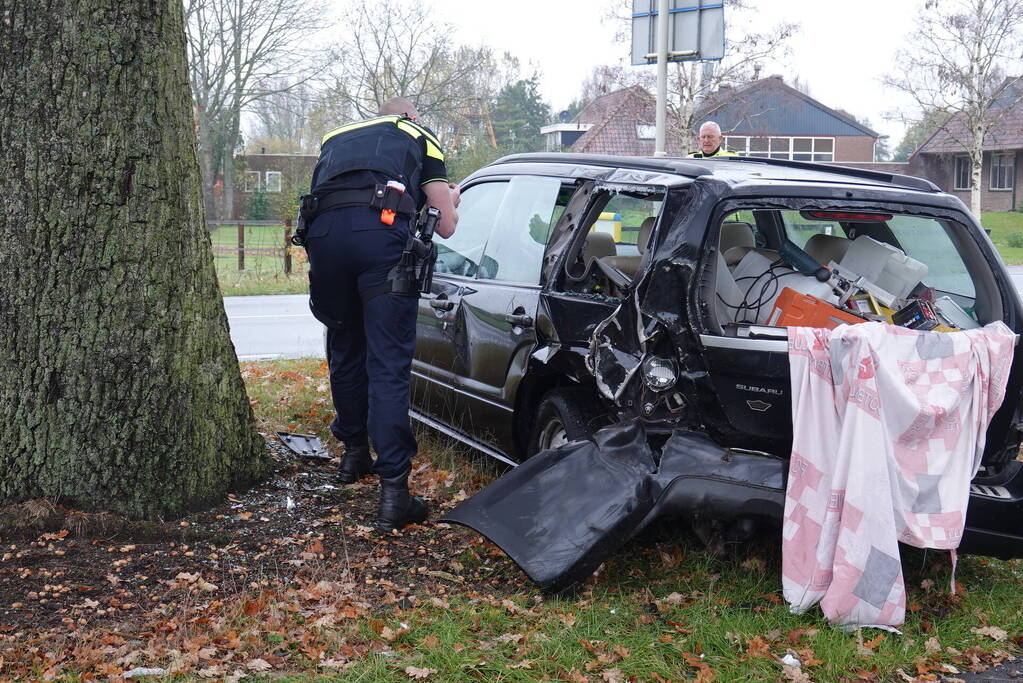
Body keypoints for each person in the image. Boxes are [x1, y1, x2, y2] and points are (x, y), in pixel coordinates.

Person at [301, 97, 459, 532]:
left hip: (325, 241)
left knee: (345, 349)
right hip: (380, 241)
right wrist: (453, 200)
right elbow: (445, 225)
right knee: (387, 364)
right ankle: (394, 492)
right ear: (410, 116)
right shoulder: (418, 135)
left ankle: (353, 455)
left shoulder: (336, 139)